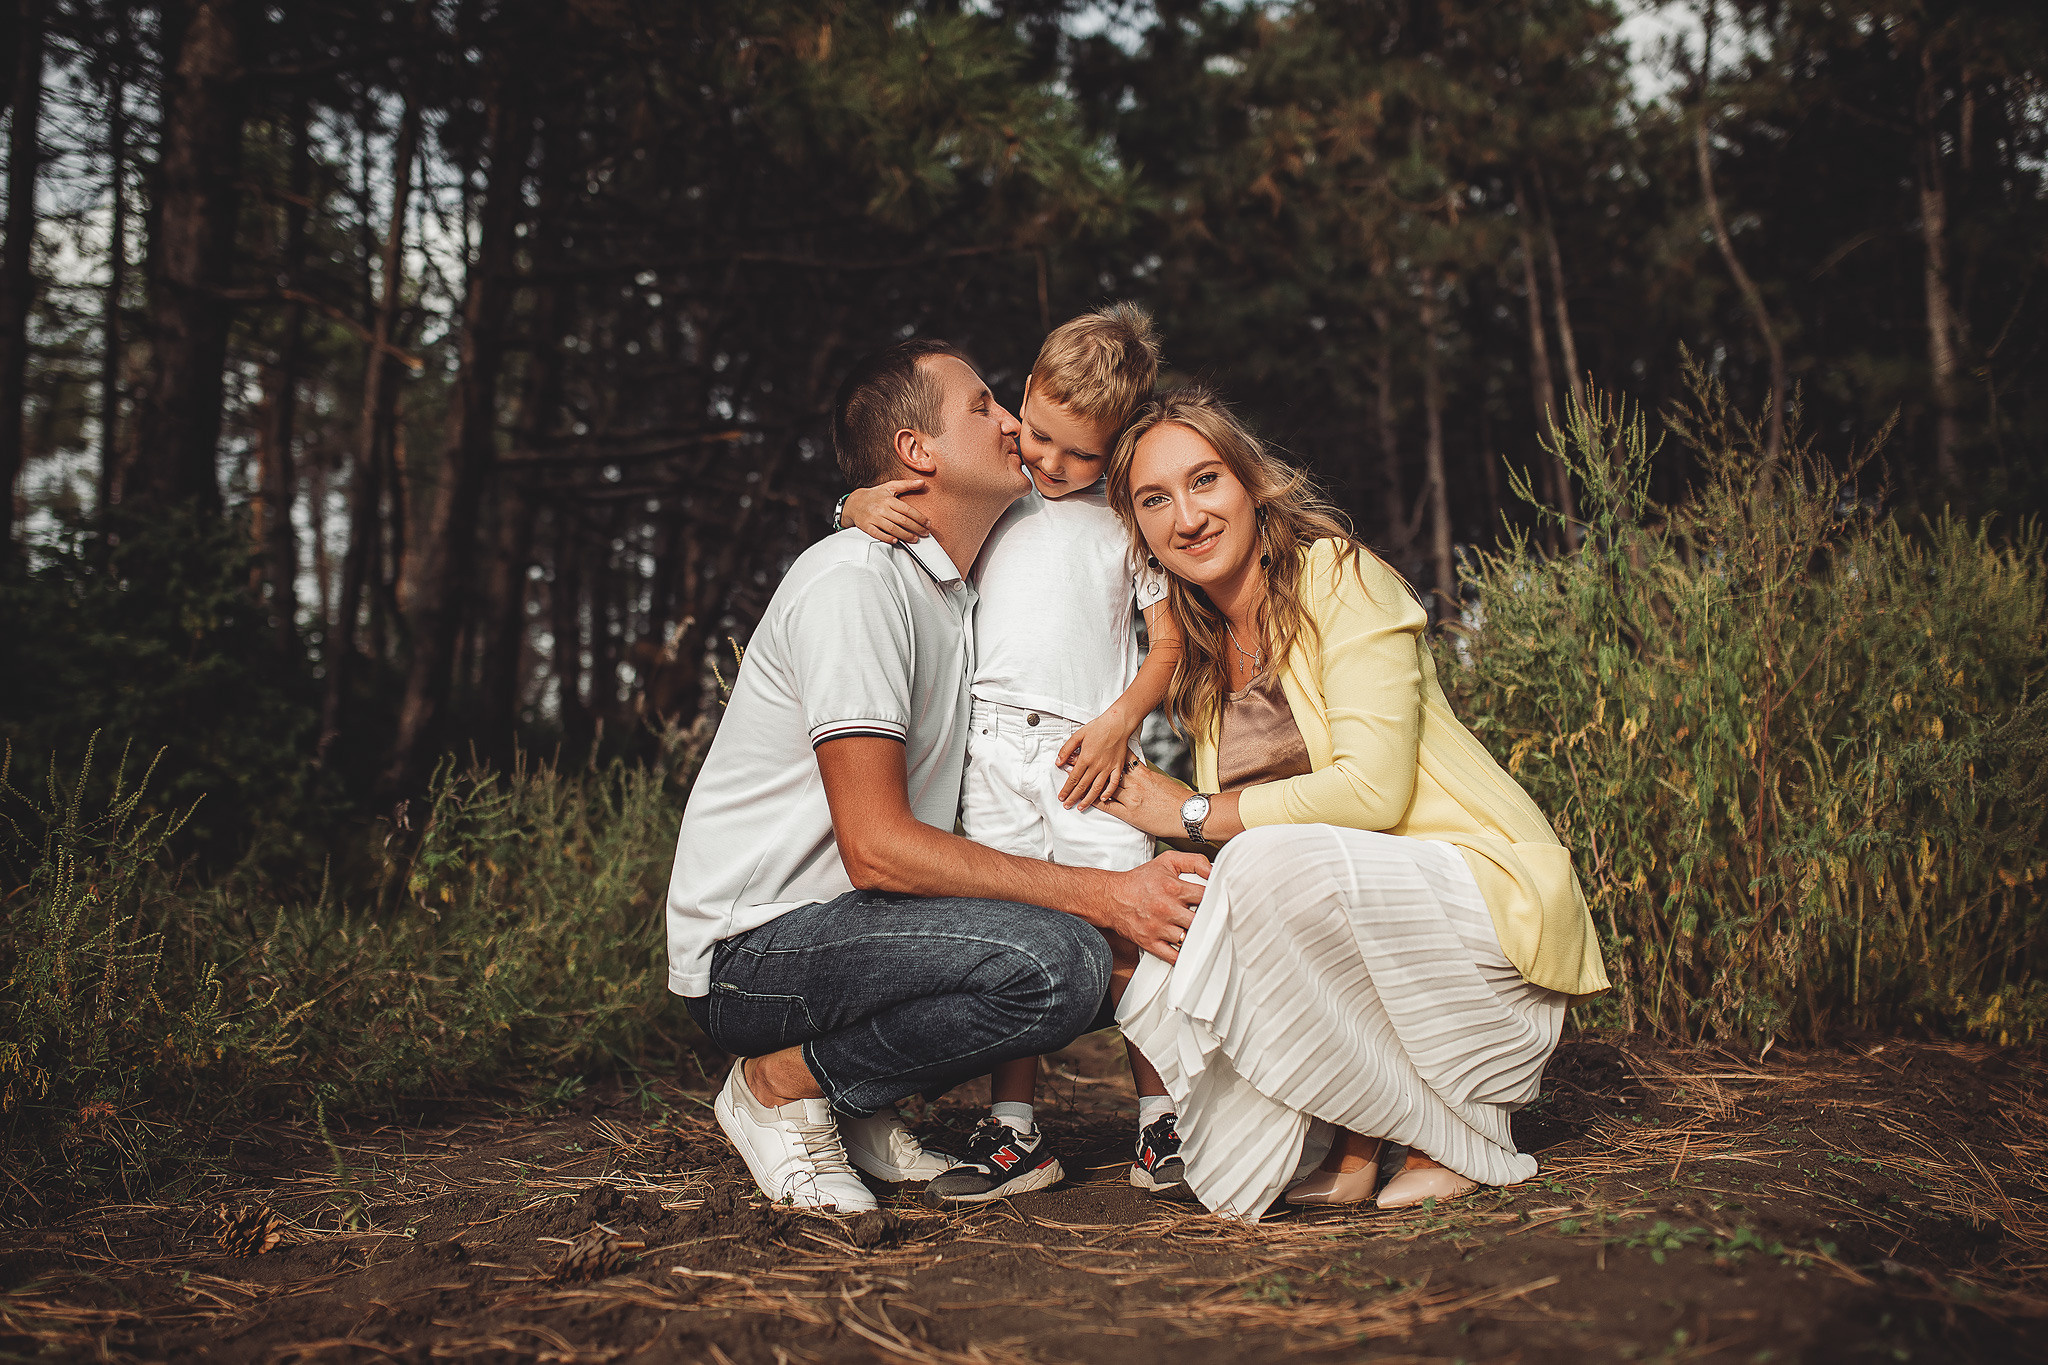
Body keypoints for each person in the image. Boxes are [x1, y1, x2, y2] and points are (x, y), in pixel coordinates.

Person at [665, 339, 1208, 1214]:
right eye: (987, 406)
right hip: (757, 947)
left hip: (860, 924)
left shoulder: (951, 591)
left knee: (1064, 949)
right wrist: (1105, 897)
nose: (1014, 430)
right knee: (1058, 960)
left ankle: (859, 1097)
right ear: (918, 452)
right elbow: (879, 850)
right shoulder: (856, 583)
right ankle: (778, 1085)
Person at [1095, 387, 1611, 1219]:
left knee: (1258, 859)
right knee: (1172, 916)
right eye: (1155, 499)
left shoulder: (1336, 573)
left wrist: (1190, 812)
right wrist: (860, 501)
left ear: (1250, 482)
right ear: (1138, 529)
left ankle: (1456, 1126)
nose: (1186, 515)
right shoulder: (1199, 656)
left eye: (1205, 480)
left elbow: (1373, 790)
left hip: (1477, 903)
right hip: (1369, 918)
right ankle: (1363, 1129)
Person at [836, 305, 1190, 1202]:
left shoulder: (1125, 516)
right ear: (1023, 396)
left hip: (1093, 756)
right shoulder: (999, 494)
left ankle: (1165, 1118)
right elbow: (898, 507)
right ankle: (1016, 1132)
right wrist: (849, 502)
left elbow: (1169, 647)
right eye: (1039, 436)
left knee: (1134, 932)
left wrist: (1120, 723)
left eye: (1084, 453)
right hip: (993, 749)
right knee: (1018, 930)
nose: (1053, 465)